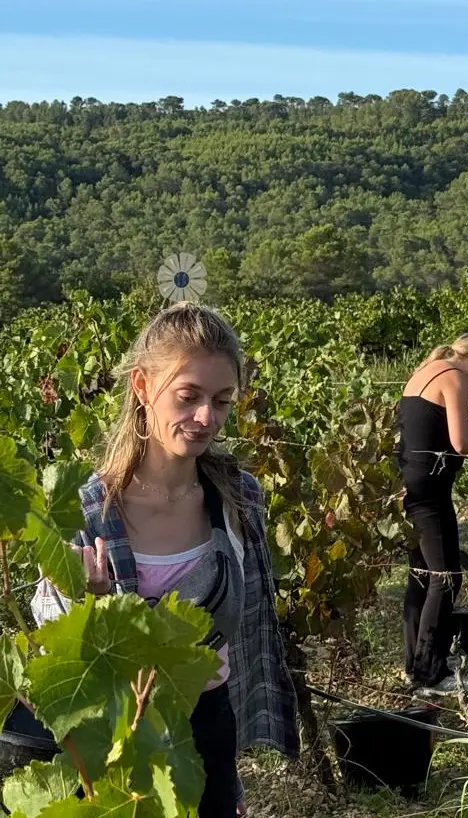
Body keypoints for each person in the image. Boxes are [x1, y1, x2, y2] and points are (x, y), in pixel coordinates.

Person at [31, 303, 298, 818]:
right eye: (188, 396)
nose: (206, 418)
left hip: (206, 725)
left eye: (221, 401)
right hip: (113, 732)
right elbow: (55, 658)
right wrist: (92, 607)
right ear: (141, 386)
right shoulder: (85, 512)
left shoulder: (239, 499)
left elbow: (252, 627)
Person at [395, 332, 468, 695]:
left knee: (421, 574)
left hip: (407, 485)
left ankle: (414, 664)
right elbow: (460, 442)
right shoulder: (454, 377)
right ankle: (430, 673)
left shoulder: (424, 370)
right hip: (430, 491)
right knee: (446, 576)